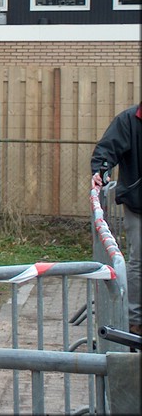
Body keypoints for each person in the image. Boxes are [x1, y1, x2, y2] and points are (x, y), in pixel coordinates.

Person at [91, 102, 142, 336]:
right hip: (138, 203)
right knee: (139, 260)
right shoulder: (129, 120)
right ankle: (135, 321)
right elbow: (106, 150)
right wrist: (101, 171)